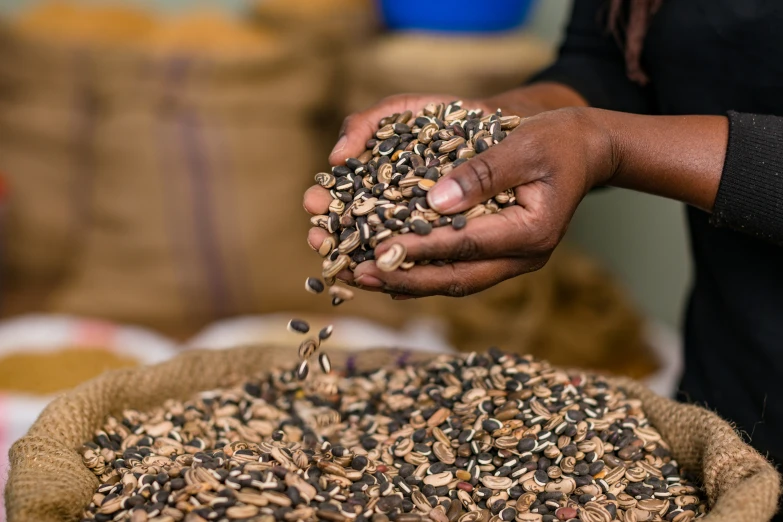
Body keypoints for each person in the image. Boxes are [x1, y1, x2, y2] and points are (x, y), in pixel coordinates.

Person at [303, 0, 783, 484]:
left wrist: (608, 145)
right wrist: (504, 121)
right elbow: (605, 59)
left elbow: (601, 134)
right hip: (728, 390)